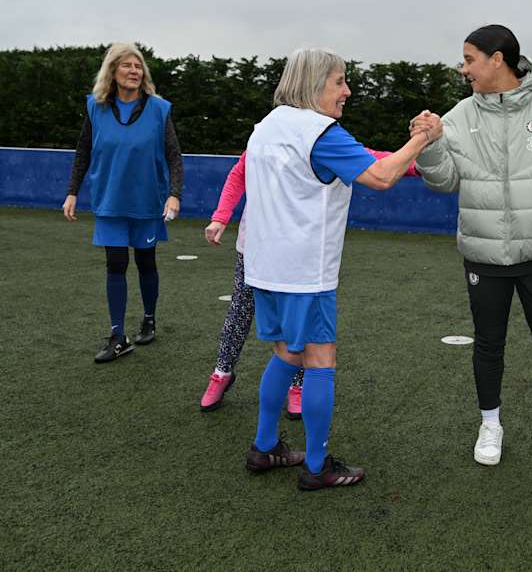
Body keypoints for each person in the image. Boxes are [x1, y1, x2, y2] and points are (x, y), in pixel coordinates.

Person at [241, 46, 440, 490]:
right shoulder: (321, 132)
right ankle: (316, 467)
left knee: (285, 354)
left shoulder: (266, 126)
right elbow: (382, 176)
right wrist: (424, 137)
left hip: (263, 267)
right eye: (339, 81)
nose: (347, 91)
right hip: (304, 272)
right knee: (319, 360)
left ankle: (265, 445)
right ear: (314, 84)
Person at [411, 25, 532, 466]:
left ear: (497, 59)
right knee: (488, 344)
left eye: (469, 59)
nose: (463, 69)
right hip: (484, 257)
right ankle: (490, 425)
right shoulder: (458, 116)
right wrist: (429, 145)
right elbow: (443, 181)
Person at [200, 148, 419, 416]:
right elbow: (239, 173)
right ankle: (222, 372)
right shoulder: (265, 136)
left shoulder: (322, 138)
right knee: (240, 310)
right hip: (255, 246)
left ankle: (298, 385)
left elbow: (368, 159)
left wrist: (421, 164)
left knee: (297, 318)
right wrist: (220, 216)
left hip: (297, 252)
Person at [63, 42, 183, 363]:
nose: (134, 71)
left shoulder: (158, 109)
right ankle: (118, 336)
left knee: (146, 262)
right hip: (110, 200)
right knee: (115, 264)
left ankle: (149, 319)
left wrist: (174, 194)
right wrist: (72, 191)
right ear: (112, 71)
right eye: (127, 65)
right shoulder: (96, 107)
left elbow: (174, 155)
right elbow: (83, 150)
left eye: (138, 66)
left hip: (147, 201)